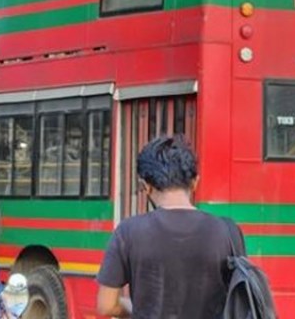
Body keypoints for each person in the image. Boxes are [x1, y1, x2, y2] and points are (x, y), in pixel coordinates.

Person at [96, 136, 242, 318]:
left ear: (146, 187)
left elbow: (106, 306)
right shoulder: (227, 231)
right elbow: (240, 300)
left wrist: (135, 310)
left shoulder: (128, 232)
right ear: (195, 182)